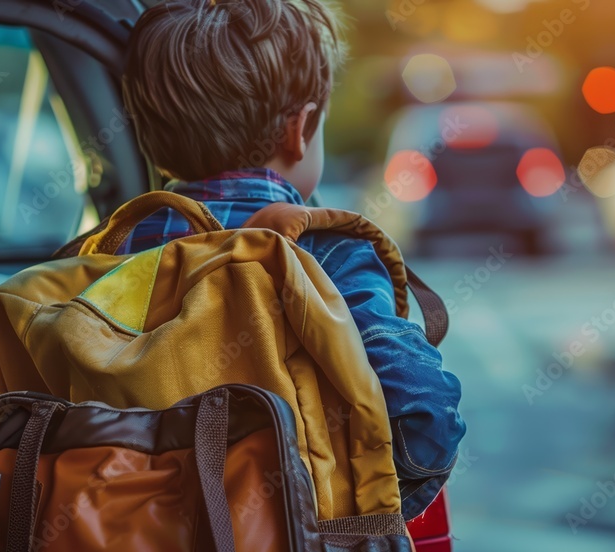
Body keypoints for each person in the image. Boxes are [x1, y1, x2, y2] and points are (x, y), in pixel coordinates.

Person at [119, 0, 465, 519]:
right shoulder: (329, 256)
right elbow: (420, 417)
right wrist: (349, 513)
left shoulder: (108, 254)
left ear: (150, 138)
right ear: (299, 130)